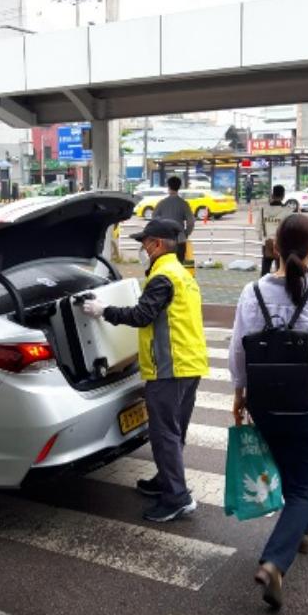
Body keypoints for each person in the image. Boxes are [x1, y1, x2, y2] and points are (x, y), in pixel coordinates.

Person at [229, 213, 308, 610]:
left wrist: (239, 390)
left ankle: (304, 529)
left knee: (288, 470)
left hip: (265, 405)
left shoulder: (252, 292)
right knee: (303, 487)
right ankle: (274, 563)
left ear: (275, 249)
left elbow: (238, 349)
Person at [83, 218, 209, 523]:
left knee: (164, 432)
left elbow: (142, 315)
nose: (142, 247)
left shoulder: (163, 276)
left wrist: (103, 311)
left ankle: (177, 498)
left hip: (170, 367)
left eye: (145, 242)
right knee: (174, 429)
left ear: (158, 244)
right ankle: (166, 480)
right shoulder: (181, 273)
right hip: (190, 363)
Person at [154, 176, 195, 264]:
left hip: (164, 242)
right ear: (179, 187)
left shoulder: (161, 203)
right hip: (179, 240)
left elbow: (154, 219)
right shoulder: (183, 204)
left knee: (165, 266)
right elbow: (191, 222)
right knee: (179, 266)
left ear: (168, 187)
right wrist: (185, 233)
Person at [260, 185, 292, 276]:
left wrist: (262, 238)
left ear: (272, 196)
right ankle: (280, 288)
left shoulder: (263, 210)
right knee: (281, 270)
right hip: (281, 243)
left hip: (266, 242)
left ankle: (263, 288)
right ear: (283, 196)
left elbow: (258, 227)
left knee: (265, 269)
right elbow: (289, 229)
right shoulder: (287, 211)